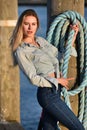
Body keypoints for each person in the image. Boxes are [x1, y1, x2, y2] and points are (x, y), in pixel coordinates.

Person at [10, 9, 85, 130]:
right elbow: (33, 79)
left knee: (47, 128)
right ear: (21, 25)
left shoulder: (41, 41)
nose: (30, 27)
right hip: (47, 95)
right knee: (78, 127)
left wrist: (73, 35)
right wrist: (57, 81)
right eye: (26, 24)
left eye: (33, 24)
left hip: (56, 91)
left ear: (37, 25)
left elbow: (60, 56)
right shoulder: (21, 51)